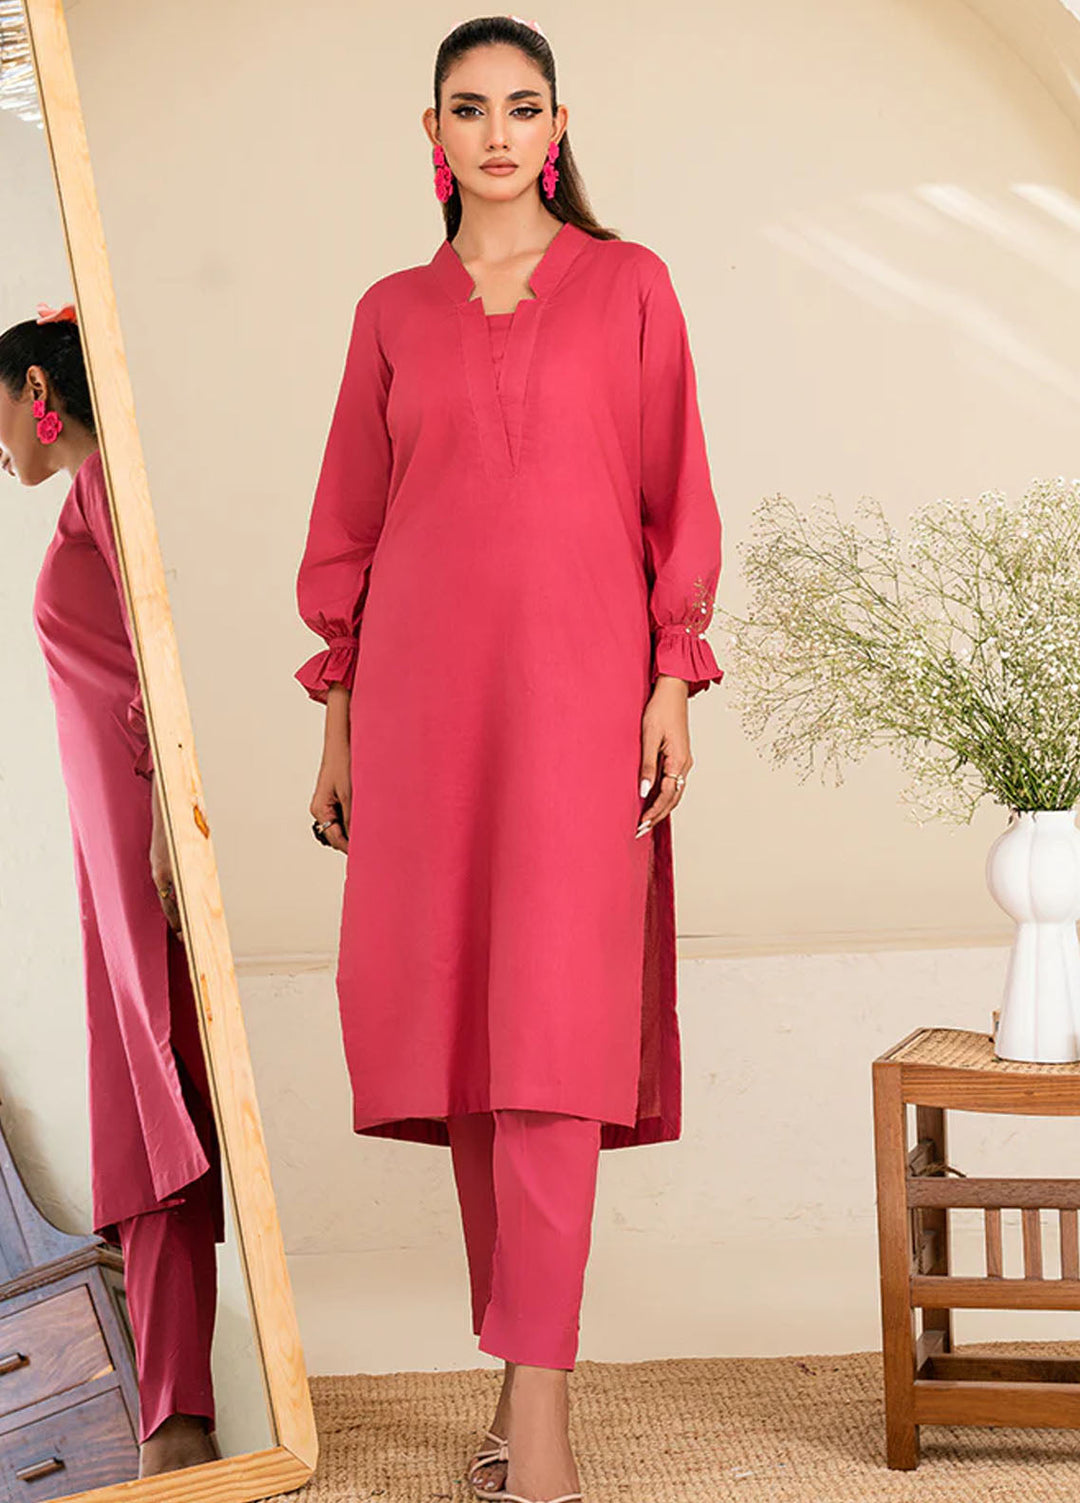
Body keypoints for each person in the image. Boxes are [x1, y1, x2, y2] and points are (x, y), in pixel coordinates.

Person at [295, 16, 723, 1503]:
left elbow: (676, 493)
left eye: (521, 107)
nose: (496, 133)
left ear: (558, 125)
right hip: (421, 709)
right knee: (474, 1045)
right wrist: (339, 723)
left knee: (552, 1033)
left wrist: (672, 680)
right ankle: (522, 1364)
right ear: (432, 131)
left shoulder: (631, 284)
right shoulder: (391, 313)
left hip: (581, 699)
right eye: (468, 109)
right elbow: (350, 529)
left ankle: (538, 1406)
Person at [0, 304, 224, 1477]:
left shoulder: (98, 491)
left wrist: (164, 832)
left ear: (37, 391)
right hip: (110, 855)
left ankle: (177, 1423)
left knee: (156, 1103)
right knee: (141, 1109)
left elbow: (155, 660)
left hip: (140, 845)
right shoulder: (85, 502)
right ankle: (173, 1418)